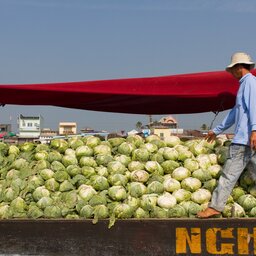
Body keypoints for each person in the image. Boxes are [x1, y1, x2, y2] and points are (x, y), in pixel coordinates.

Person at [197, 52, 256, 218]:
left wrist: (254, 130)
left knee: (228, 174)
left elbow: (254, 107)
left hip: (244, 140)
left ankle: (215, 206)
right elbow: (235, 113)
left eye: (232, 70)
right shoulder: (244, 84)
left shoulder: (250, 82)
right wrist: (216, 130)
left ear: (238, 68)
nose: (231, 74)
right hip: (247, 138)